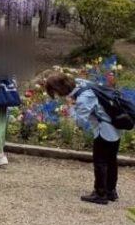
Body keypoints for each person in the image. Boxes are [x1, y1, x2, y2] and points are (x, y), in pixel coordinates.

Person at [42, 72, 119, 204]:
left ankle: (100, 194)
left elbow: (79, 121)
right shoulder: (81, 83)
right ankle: (111, 191)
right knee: (111, 160)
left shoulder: (83, 98)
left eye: (55, 91)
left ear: (59, 89)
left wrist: (71, 106)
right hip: (115, 126)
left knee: (100, 161)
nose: (56, 94)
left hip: (103, 130)